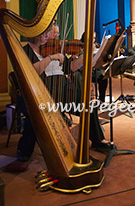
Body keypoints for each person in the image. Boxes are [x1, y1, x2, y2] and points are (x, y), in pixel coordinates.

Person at [16, 28, 110, 162]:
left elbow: (71, 67)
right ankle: (24, 150)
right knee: (36, 114)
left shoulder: (53, 48)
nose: (48, 36)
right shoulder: (26, 51)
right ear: (34, 33)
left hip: (63, 91)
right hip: (42, 93)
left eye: (50, 33)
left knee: (89, 103)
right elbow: (31, 72)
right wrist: (50, 58)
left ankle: (97, 140)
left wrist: (87, 53)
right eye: (46, 33)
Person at [80, 31, 108, 103]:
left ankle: (101, 100)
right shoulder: (80, 46)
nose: (93, 40)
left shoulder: (96, 47)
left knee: (103, 77)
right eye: (91, 38)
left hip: (93, 70)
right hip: (82, 71)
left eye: (94, 38)